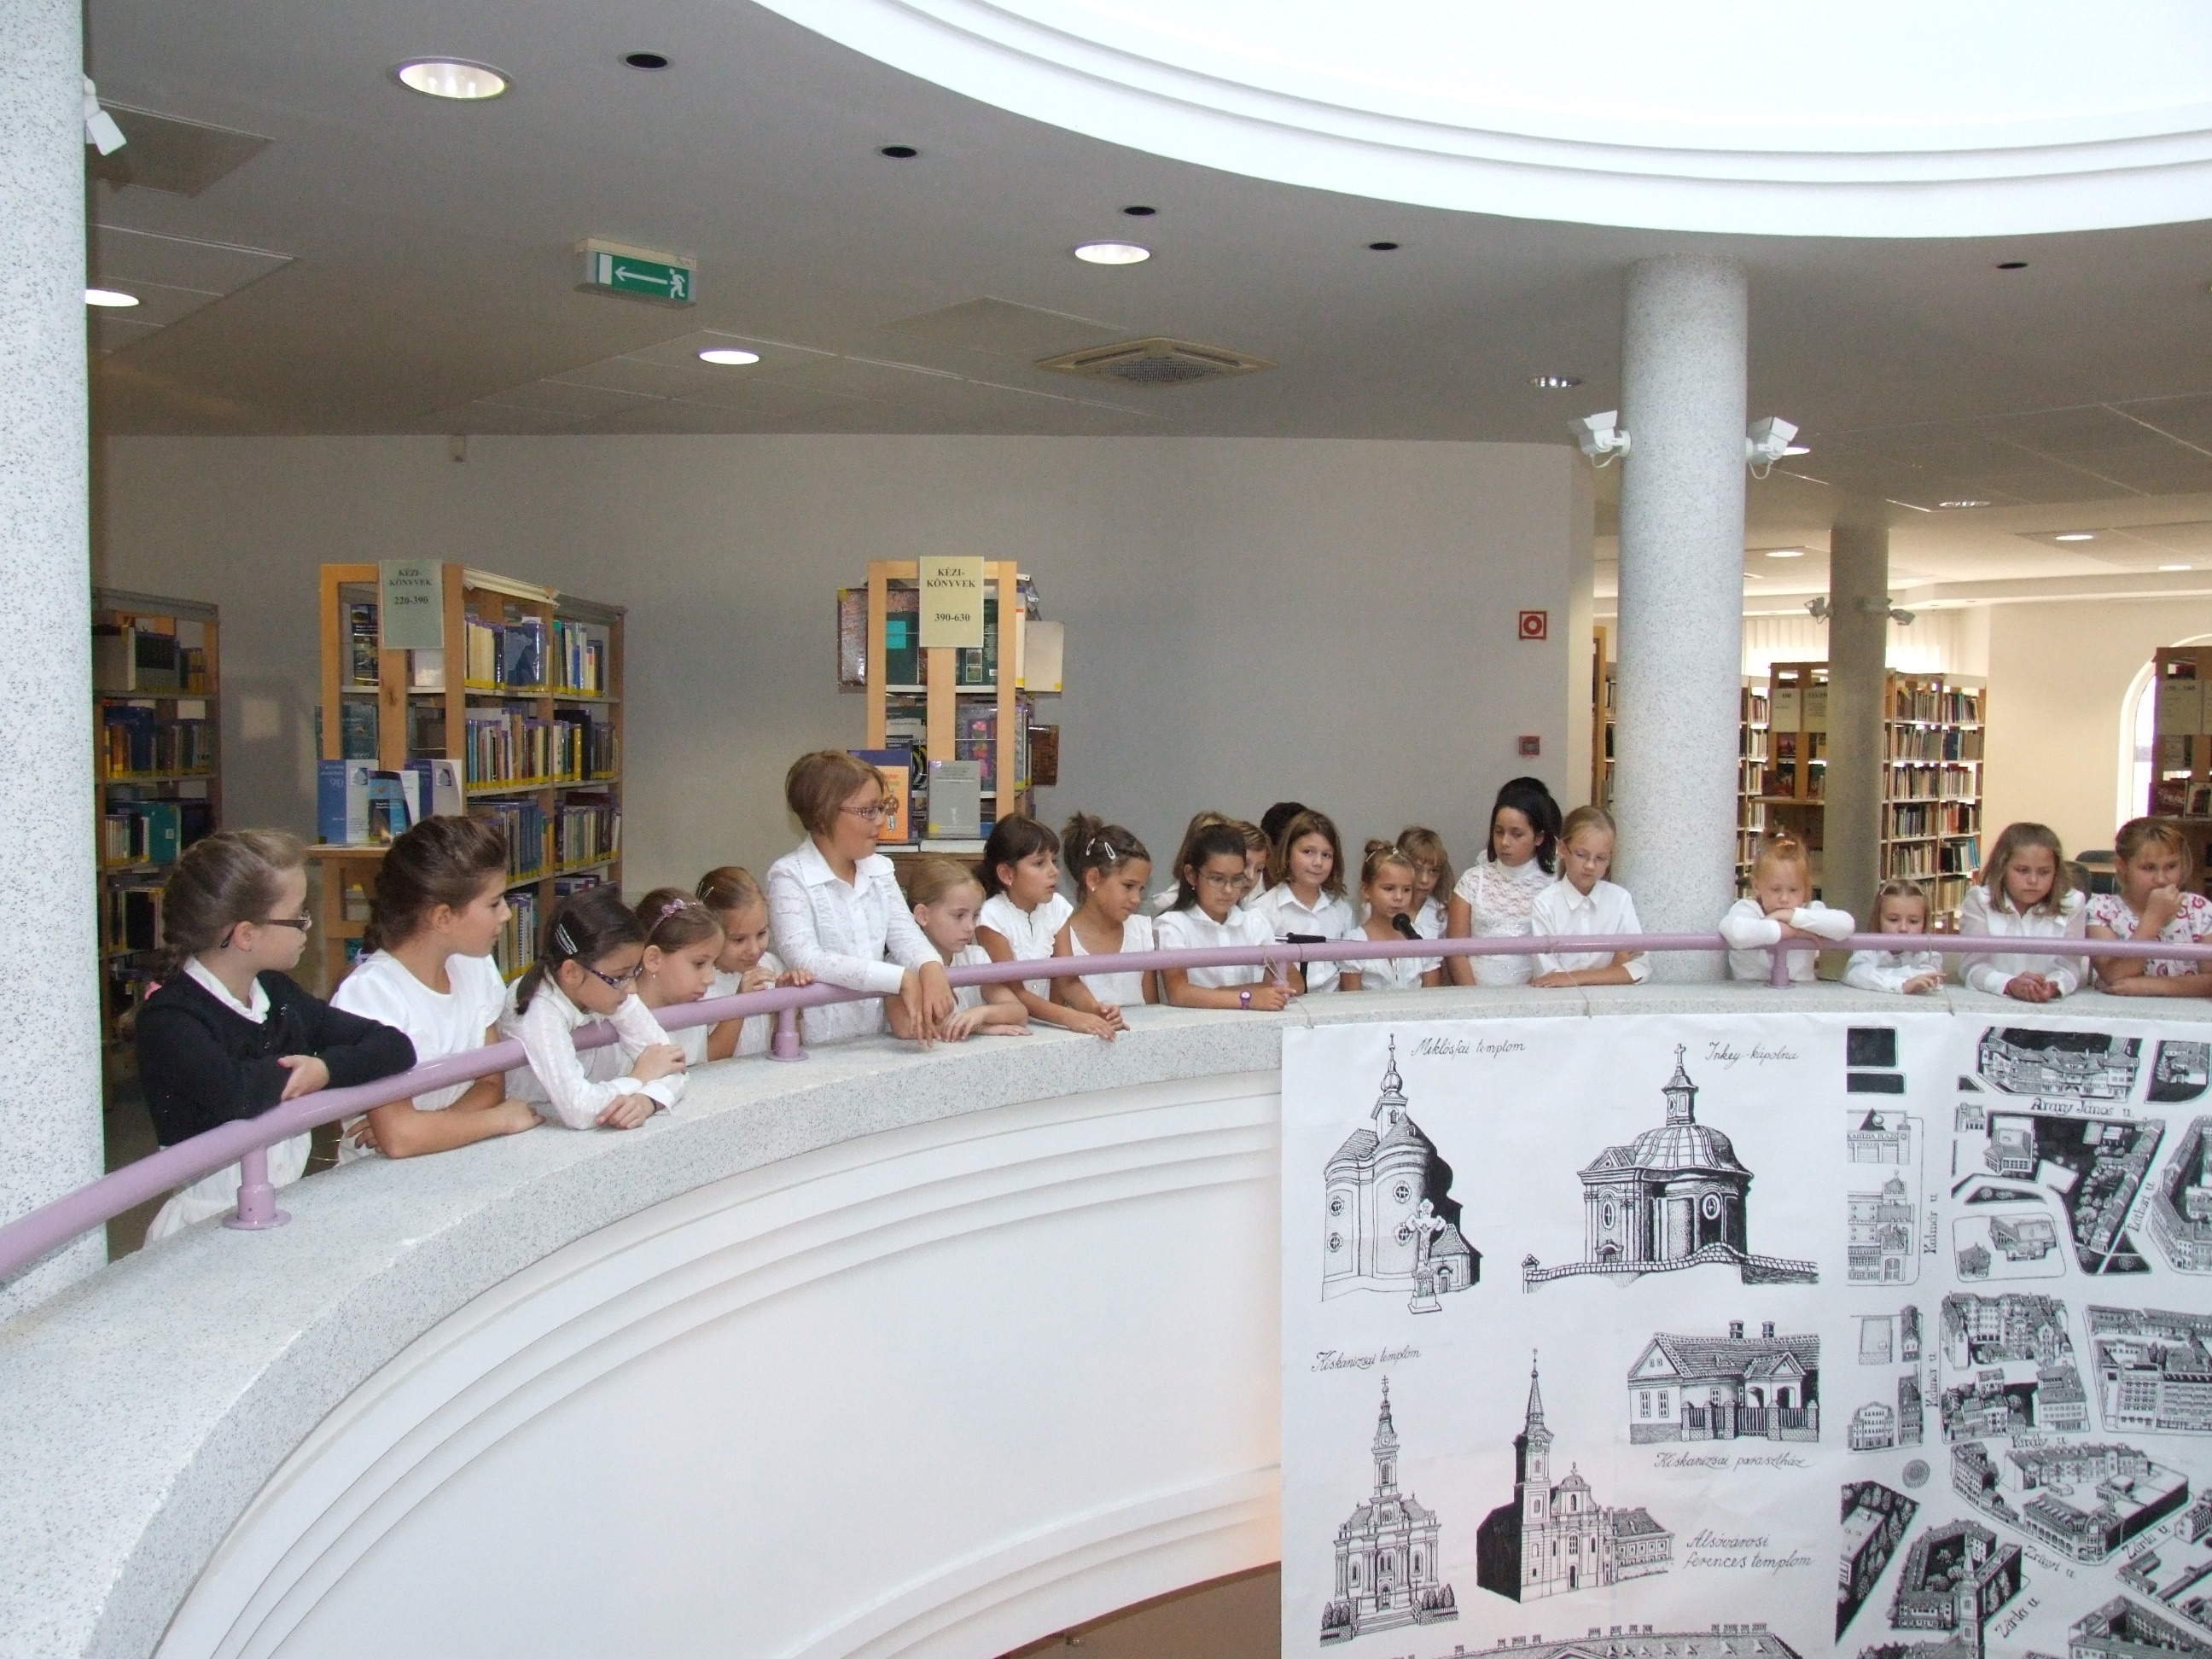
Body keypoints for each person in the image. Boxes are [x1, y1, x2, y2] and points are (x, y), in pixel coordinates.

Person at [136, 830, 415, 1241]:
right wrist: (306, 1074)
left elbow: (393, 1046)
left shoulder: (278, 994)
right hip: (206, 1227)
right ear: (246, 935)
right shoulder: (170, 1018)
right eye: (299, 916)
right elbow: (237, 1094)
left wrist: (323, 1069)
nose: (308, 927)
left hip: (282, 1207)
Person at [329, 816, 540, 1161]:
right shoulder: (370, 995)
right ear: (443, 918)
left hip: (456, 1157)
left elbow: (490, 1085)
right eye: (494, 903)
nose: (506, 914)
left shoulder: (475, 965)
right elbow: (400, 1140)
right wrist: (499, 1120)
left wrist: (428, 1129)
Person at [765, 750, 954, 1044]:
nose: (881, 821)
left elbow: (905, 935)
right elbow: (806, 957)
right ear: (823, 816)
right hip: (817, 1043)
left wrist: (930, 965)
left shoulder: (880, 869)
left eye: (882, 807)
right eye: (868, 811)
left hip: (875, 1036)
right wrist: (897, 977)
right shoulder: (789, 876)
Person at [500, 884, 688, 1129]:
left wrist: (645, 1101)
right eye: (621, 976)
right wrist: (639, 1076)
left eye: (634, 972)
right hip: (533, 1127)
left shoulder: (611, 986)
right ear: (572, 972)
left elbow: (672, 1064)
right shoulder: (539, 1009)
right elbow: (579, 1110)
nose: (632, 988)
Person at [974, 813, 1109, 1038]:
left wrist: (1096, 1010)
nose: (1054, 871)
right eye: (1039, 863)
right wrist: (1072, 1018)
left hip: (1047, 1026)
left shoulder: (1057, 907)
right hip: (1005, 1029)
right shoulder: (990, 917)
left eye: (1054, 861)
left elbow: (1067, 979)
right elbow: (1016, 992)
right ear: (1006, 874)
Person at [1158, 821, 1293, 1010]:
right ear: (1191, 875)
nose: (1228, 890)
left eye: (1237, 879)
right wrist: (1247, 999)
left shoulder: (1254, 921)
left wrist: (1222, 993)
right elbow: (1179, 992)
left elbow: (1280, 982)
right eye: (1216, 879)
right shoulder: (1172, 925)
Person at [1447, 777, 1561, 987]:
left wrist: (1526, 994)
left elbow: (1554, 953)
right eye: (1499, 832)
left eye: (1517, 834)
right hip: (1474, 995)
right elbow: (1456, 951)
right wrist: (1475, 998)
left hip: (1532, 994)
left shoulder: (1554, 886)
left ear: (1538, 838)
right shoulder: (1472, 880)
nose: (1505, 842)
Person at [1960, 821, 2087, 1003]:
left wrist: (2052, 986)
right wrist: (2009, 984)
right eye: (2022, 870)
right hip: (1991, 1003)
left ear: (2056, 872)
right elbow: (1973, 967)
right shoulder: (1979, 900)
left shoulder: (2073, 902)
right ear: (2002, 867)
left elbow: (2070, 967)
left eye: (2044, 872)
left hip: (2050, 1006)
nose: (2033, 880)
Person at [902, 857, 1028, 1038]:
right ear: (922, 915)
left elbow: (1019, 1012)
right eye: (959, 915)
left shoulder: (975, 957)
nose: (970, 927)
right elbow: (905, 1025)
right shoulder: (902, 965)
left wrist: (981, 1014)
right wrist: (978, 1027)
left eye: (975, 915)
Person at [695, 864, 812, 1059]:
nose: (754, 950)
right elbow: (709, 1058)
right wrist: (741, 1003)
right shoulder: (699, 984)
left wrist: (788, 1005)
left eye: (761, 933)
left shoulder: (771, 966)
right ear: (707, 933)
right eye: (739, 940)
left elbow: (782, 1048)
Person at [2088, 818, 2212, 995]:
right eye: (2148, 868)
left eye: (2171, 866)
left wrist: (2154, 986)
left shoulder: (2201, 910)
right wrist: (2153, 919)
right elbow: (2113, 975)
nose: (2161, 879)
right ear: (2122, 866)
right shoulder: (2101, 910)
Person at [1528, 806, 1648, 987]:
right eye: (1581, 855)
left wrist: (1574, 977)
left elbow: (1639, 968)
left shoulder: (1620, 899)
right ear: (1562, 849)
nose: (1590, 866)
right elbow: (1550, 977)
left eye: (1601, 858)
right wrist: (1614, 969)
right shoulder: (1545, 904)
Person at [1052, 813, 1156, 1021]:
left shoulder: (1142, 932)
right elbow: (1057, 1009)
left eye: (1141, 889)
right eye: (1128, 886)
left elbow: (1152, 1008)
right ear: (1093, 879)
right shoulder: (1062, 938)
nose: (1137, 899)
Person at [1717, 835, 1854, 982]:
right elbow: (1737, 933)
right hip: (1751, 994)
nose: (1784, 898)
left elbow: (1846, 925)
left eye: (1793, 890)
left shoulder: (1810, 910)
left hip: (1802, 994)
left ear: (1805, 886)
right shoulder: (1747, 909)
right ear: (1757, 886)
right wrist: (1792, 932)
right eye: (1776, 889)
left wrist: (1792, 916)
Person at [1252, 809, 1356, 992]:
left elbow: (1349, 968)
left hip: (1334, 1003)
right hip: (1286, 1002)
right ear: (1287, 854)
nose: (1318, 862)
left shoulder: (1341, 910)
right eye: (1308, 852)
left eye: (1326, 855)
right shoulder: (1262, 910)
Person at [632, 889, 727, 1066]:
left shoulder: (695, 1019)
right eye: (699, 964)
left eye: (713, 964)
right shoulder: (615, 1025)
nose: (710, 979)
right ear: (654, 959)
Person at [1341, 841, 1444, 991]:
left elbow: (1432, 997)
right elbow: (1352, 1000)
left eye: (1406, 890)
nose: (1399, 897)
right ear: (1366, 890)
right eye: (1389, 889)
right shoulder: (1354, 943)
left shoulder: (1424, 937)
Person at [1844, 878, 1947, 994]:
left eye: (1913, 921)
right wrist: (1902, 985)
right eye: (1893, 920)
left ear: (1924, 923)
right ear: (1878, 920)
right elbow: (1855, 973)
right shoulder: (1868, 947)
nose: (1903, 928)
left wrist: (1879, 974)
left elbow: (1931, 977)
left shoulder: (1928, 952)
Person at [1394, 826, 1452, 940]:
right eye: (1417, 869)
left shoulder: (1442, 913)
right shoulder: (1383, 908)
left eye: (1433, 871)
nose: (1425, 880)